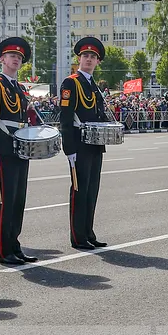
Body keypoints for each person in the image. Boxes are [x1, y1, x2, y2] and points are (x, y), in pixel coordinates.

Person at [0, 37, 38, 265]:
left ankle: (14, 244)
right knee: (5, 201)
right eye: (12, 56)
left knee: (18, 200)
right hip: (4, 151)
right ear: (2, 59)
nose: (15, 59)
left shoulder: (19, 87)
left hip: (20, 150)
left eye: (19, 57)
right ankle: (4, 251)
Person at [59, 37, 110, 250]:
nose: (88, 59)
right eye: (85, 56)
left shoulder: (94, 86)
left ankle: (89, 232)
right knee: (79, 191)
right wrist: (69, 148)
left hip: (95, 144)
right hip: (79, 144)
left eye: (93, 57)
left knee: (91, 191)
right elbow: (66, 117)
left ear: (98, 61)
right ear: (79, 58)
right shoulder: (71, 82)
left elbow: (99, 114)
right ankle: (78, 236)